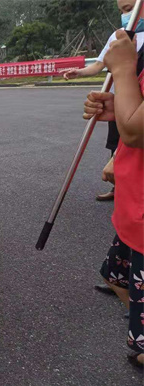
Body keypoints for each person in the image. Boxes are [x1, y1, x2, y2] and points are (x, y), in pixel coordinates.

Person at [83, 29, 144, 368]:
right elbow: (134, 121)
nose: (131, 17)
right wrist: (119, 108)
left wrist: (121, 70)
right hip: (133, 206)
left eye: (133, 6)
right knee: (115, 276)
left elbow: (135, 131)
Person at [62, 0, 144, 202]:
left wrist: (123, 68)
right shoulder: (119, 36)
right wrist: (79, 72)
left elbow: (135, 133)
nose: (126, 15)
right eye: (122, 11)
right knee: (116, 142)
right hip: (122, 103)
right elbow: (100, 64)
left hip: (135, 109)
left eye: (129, 8)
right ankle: (120, 188)